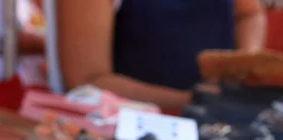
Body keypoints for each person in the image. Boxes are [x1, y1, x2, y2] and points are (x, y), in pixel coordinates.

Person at [52, 0, 267, 110]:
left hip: (220, 122)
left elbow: (249, 14)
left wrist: (244, 64)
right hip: (134, 138)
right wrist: (193, 101)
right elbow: (85, 80)